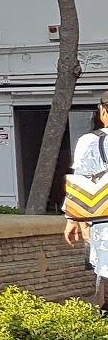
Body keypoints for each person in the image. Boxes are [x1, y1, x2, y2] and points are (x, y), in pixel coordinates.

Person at [65, 92, 108, 308]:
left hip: (103, 221)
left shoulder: (91, 141)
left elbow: (81, 184)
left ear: (102, 111)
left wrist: (73, 219)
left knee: (102, 277)